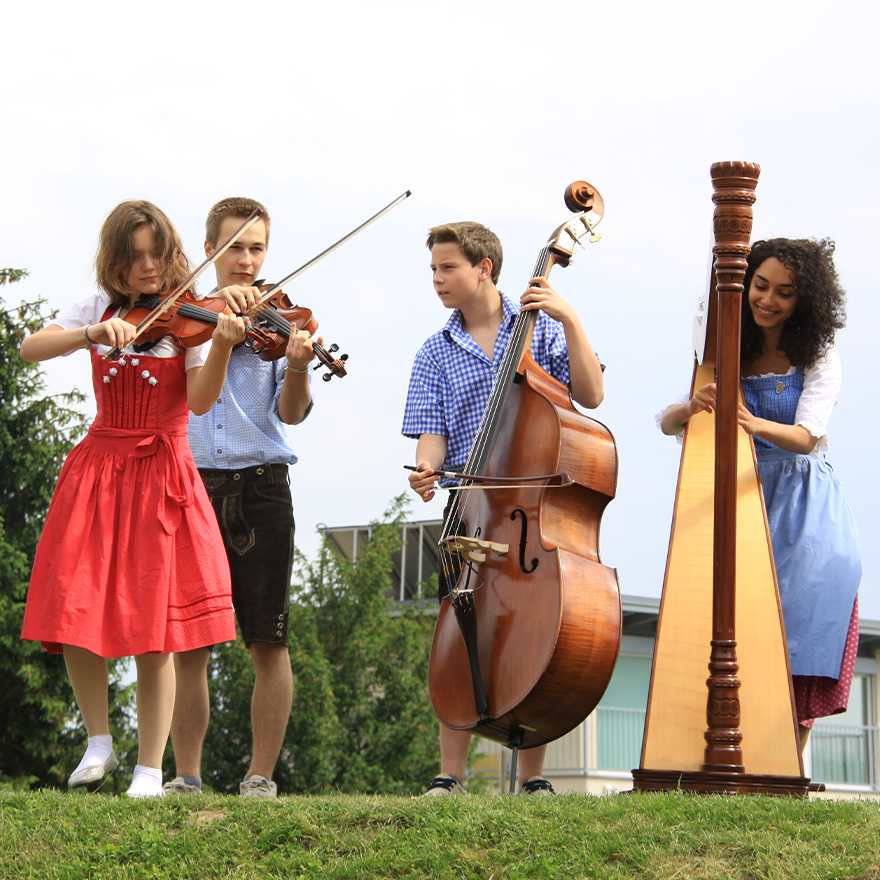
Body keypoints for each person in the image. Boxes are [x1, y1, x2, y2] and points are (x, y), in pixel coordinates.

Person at [19, 200, 242, 797]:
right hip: (97, 468)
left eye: (156, 254)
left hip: (161, 473)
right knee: (71, 606)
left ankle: (150, 768)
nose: (147, 267)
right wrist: (91, 334)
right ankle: (99, 744)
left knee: (155, 625)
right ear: (116, 261)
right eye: (133, 256)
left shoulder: (191, 321)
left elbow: (199, 402)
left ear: (171, 255)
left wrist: (220, 345)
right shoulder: (97, 308)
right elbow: (30, 348)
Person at [402, 221, 605, 795]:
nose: (438, 279)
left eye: (448, 268)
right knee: (459, 625)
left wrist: (570, 318)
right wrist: (426, 468)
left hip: (534, 509)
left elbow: (590, 398)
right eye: (434, 269)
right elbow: (432, 434)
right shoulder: (434, 351)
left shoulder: (538, 329)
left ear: (483, 268)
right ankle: (451, 775)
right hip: (470, 508)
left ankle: (534, 778)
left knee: (539, 630)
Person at [660, 237, 861, 752]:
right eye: (760, 285)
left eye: (785, 293)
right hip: (742, 498)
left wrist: (749, 420)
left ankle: (789, 761)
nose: (767, 300)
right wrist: (693, 405)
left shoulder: (819, 354)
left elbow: (807, 436)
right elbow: (668, 423)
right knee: (734, 633)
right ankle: (725, 754)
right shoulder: (727, 349)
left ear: (805, 301)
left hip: (803, 504)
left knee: (800, 631)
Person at [163, 197, 317, 798]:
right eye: (236, 248)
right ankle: (186, 776)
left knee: (268, 638)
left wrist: (301, 365)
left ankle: (260, 777)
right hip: (192, 484)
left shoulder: (282, 319)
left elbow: (292, 413)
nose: (247, 260)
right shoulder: (183, 318)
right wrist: (219, 331)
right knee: (190, 643)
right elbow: (185, 396)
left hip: (262, 486)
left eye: (257, 249)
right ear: (210, 251)